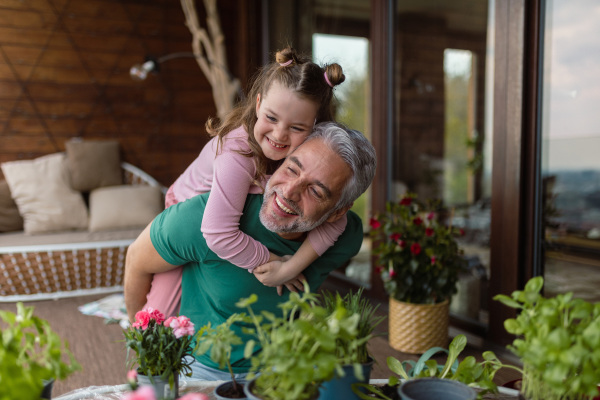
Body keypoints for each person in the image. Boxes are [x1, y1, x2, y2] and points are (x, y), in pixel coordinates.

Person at [124, 122, 377, 380]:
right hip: (198, 369)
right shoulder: (205, 218)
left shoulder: (346, 238)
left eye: (314, 191)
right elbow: (136, 260)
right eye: (291, 168)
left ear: (337, 212)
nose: (289, 192)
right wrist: (148, 348)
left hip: (285, 366)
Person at [145, 47, 347, 317]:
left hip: (223, 222)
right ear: (258, 103)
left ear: (316, 126)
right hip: (187, 214)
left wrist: (291, 267)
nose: (279, 134)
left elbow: (339, 221)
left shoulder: (307, 158)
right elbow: (218, 233)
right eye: (271, 118)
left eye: (297, 127)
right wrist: (272, 263)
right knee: (160, 315)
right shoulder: (238, 155)